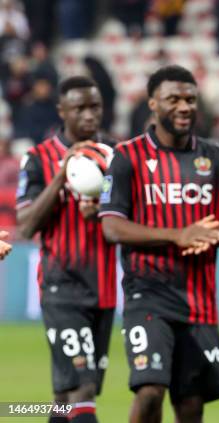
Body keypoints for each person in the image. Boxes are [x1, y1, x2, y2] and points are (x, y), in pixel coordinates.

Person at [99, 65, 219, 423]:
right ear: (152, 103)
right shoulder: (126, 157)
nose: (184, 106)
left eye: (190, 99)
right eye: (173, 99)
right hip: (147, 294)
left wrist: (208, 234)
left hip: (199, 301)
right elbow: (112, 227)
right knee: (149, 392)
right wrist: (178, 235)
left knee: (191, 405)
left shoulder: (218, 158)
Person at [15, 75, 117, 423]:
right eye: (79, 108)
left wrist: (100, 211)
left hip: (104, 290)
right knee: (83, 388)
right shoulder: (38, 158)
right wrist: (62, 177)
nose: (89, 116)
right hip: (62, 287)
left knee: (64, 395)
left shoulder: (116, 155)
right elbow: (26, 225)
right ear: (62, 111)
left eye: (95, 107)